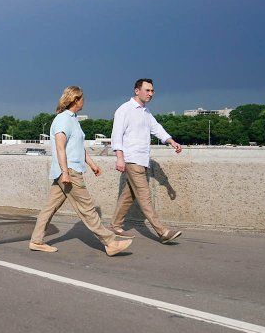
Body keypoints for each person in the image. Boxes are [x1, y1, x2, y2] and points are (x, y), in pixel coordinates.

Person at [29, 86, 132, 256]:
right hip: (69, 170)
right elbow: (60, 148)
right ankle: (110, 242)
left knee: (49, 208)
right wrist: (65, 172)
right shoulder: (63, 120)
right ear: (75, 99)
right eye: (82, 98)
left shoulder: (73, 119)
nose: (84, 101)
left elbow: (77, 148)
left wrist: (92, 165)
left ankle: (36, 241)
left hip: (68, 169)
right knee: (87, 208)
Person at [108, 78, 183, 243]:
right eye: (147, 90)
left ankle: (115, 226)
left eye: (152, 91)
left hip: (142, 160)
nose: (151, 94)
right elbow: (116, 135)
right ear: (137, 91)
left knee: (128, 196)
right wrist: (120, 158)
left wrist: (172, 141)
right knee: (144, 196)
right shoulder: (124, 109)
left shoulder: (146, 112)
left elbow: (157, 128)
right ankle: (162, 232)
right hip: (131, 159)